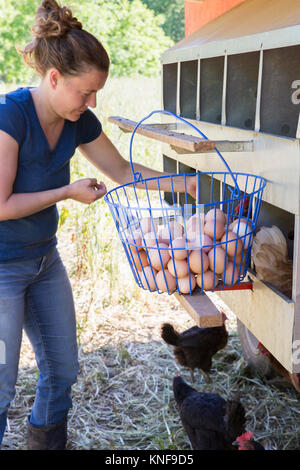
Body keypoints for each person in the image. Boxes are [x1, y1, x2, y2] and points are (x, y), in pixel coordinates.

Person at [0, 0, 196, 450]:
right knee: (2, 383)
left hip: (43, 261)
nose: (91, 103)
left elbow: (123, 170)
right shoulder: (10, 117)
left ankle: (46, 443)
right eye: (84, 93)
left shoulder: (78, 120)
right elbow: (1, 204)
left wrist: (179, 185)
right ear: (53, 78)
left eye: (96, 94)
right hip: (3, 266)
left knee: (64, 369)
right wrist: (66, 191)